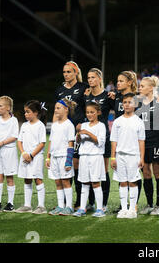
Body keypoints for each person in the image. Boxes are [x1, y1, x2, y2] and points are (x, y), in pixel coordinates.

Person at [54, 61, 89, 211]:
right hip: (63, 133)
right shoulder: (59, 90)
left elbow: (90, 107)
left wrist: (84, 124)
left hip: (78, 132)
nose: (66, 74)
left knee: (77, 166)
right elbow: (56, 111)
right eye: (64, 72)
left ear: (76, 72)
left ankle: (83, 200)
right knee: (69, 168)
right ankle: (71, 201)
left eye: (69, 72)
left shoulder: (83, 87)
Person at [109, 70, 143, 212]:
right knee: (122, 176)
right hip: (121, 140)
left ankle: (133, 204)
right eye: (117, 81)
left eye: (121, 81)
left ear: (129, 82)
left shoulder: (137, 99)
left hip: (134, 142)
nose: (118, 83)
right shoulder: (116, 97)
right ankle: (124, 205)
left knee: (135, 175)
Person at [83, 68, 112, 213]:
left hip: (103, 138)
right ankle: (91, 202)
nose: (90, 80)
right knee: (89, 173)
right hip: (88, 140)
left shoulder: (107, 96)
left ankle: (104, 204)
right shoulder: (86, 96)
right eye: (88, 77)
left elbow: (119, 109)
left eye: (93, 77)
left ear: (100, 79)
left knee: (103, 171)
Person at [137, 75, 159, 216]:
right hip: (142, 142)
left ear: (151, 88)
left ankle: (158, 206)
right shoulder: (138, 103)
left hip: (156, 141)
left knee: (157, 173)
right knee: (146, 173)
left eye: (142, 86)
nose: (139, 88)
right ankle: (149, 204)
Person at [73, 102, 107, 218]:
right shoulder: (84, 125)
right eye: (88, 112)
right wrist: (78, 132)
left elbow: (100, 141)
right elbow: (77, 142)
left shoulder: (101, 125)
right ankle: (82, 208)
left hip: (95, 156)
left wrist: (87, 132)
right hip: (84, 156)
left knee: (96, 183)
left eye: (92, 112)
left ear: (98, 112)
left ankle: (100, 208)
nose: (89, 114)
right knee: (84, 183)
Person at [14, 100, 47, 214]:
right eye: (25, 112)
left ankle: (41, 206)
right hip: (25, 156)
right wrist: (23, 153)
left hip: (36, 157)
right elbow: (19, 141)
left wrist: (32, 155)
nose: (25, 114)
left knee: (37, 179)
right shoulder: (24, 125)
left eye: (28, 112)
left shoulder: (40, 125)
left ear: (36, 112)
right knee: (27, 179)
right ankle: (27, 205)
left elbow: (42, 143)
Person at [46, 98, 77, 216]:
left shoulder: (69, 125)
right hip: (54, 157)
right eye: (55, 108)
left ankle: (69, 207)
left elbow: (71, 143)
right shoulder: (54, 125)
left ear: (66, 109)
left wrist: (69, 161)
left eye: (58, 108)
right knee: (57, 182)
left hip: (64, 157)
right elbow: (51, 142)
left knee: (65, 181)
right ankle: (60, 206)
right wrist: (48, 157)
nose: (56, 110)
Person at [0, 96, 19, 212]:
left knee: (9, 177)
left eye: (0, 105)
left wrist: (1, 143)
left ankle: (10, 203)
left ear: (8, 108)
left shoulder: (14, 120)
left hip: (9, 150)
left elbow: (14, 136)